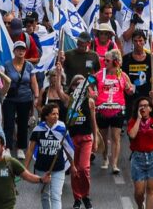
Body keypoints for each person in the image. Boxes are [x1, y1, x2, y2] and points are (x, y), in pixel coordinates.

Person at [25, 103, 75, 209]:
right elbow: (30, 150)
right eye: (53, 114)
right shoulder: (38, 130)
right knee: (44, 195)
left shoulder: (62, 129)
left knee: (56, 196)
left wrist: (73, 166)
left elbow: (68, 149)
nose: (56, 116)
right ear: (46, 116)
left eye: (57, 114)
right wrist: (25, 169)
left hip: (58, 168)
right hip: (41, 168)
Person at [94, 48, 133, 174]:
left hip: (117, 110)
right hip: (102, 110)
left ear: (115, 62)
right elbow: (88, 84)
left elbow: (130, 90)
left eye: (108, 61)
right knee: (104, 137)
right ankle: (105, 157)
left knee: (116, 137)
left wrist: (129, 88)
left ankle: (114, 163)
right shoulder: (100, 74)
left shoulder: (122, 75)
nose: (105, 63)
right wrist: (92, 93)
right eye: (104, 60)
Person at [126, 95, 153, 209]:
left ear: (150, 108)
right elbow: (132, 135)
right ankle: (140, 206)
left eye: (145, 106)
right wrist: (138, 119)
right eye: (140, 106)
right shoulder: (133, 121)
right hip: (138, 160)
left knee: (151, 191)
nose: (143, 108)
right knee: (139, 193)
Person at [2, 40, 39, 159]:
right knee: (8, 122)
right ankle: (7, 147)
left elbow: (33, 82)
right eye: (18, 49)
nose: (21, 51)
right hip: (10, 98)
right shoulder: (7, 65)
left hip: (25, 98)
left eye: (23, 49)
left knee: (23, 124)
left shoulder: (29, 66)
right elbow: (3, 82)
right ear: (14, 51)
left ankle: (20, 148)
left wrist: (37, 96)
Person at [66, 74, 98, 209]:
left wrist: (96, 140)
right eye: (76, 85)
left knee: (83, 168)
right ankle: (77, 198)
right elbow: (59, 92)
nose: (80, 88)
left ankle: (85, 195)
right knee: (74, 170)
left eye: (83, 85)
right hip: (72, 139)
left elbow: (93, 122)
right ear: (72, 87)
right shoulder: (69, 101)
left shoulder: (90, 102)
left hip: (86, 138)